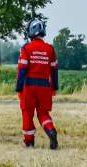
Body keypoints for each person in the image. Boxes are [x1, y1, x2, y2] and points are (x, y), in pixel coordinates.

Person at [16, 19, 59, 149]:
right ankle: (51, 130)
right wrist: (54, 87)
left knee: (27, 113)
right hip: (45, 87)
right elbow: (54, 70)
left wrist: (19, 88)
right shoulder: (50, 49)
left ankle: (29, 141)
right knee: (43, 113)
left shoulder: (26, 49)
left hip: (29, 87)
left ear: (31, 31)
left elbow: (22, 69)